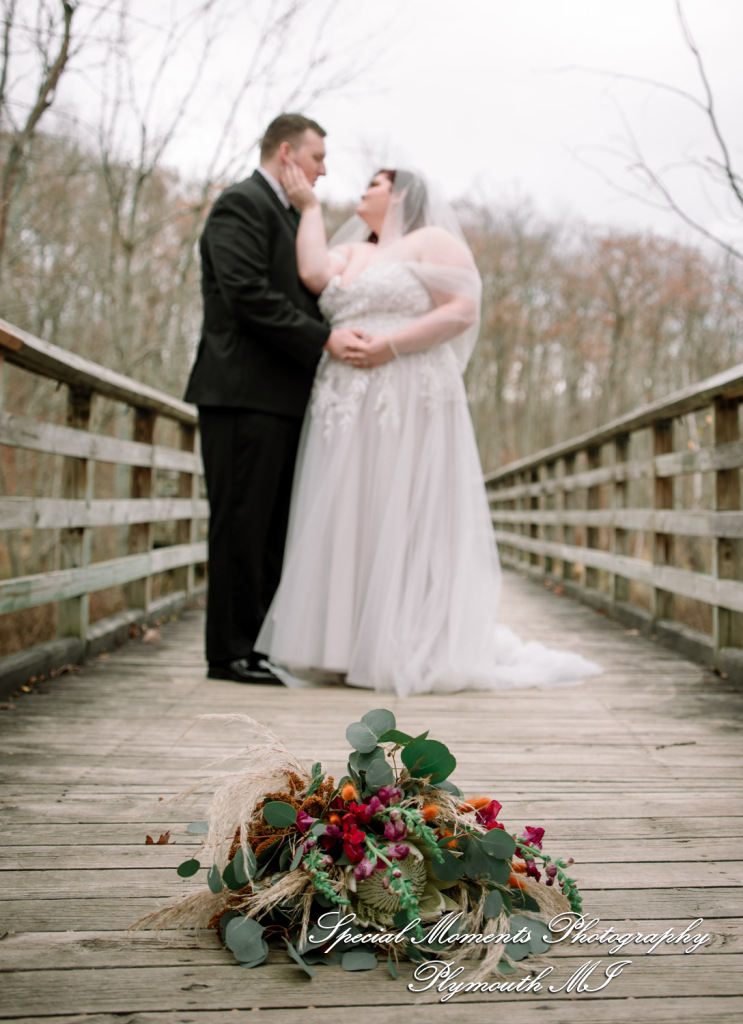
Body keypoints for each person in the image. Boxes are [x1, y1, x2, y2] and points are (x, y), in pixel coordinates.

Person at [254, 167, 601, 695]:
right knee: (350, 510)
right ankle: (341, 647)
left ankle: (404, 639)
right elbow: (313, 273)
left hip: (407, 389)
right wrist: (310, 209)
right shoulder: (353, 253)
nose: (362, 191)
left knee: (401, 510)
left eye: (374, 184)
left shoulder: (431, 240)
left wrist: (390, 345)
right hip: (345, 401)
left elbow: (463, 308)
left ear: (401, 194)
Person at [184, 113, 364, 684]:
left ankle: (255, 644)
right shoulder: (241, 204)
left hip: (282, 397)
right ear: (286, 154)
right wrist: (324, 339)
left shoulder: (289, 214)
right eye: (316, 158)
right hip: (241, 393)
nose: (324, 169)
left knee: (269, 531)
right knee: (240, 523)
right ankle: (229, 653)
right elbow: (246, 295)